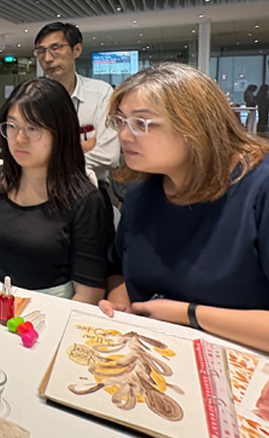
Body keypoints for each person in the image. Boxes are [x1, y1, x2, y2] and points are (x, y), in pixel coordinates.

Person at [101, 62, 269, 354]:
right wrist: (119, 303)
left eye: (140, 123)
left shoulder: (259, 189)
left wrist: (187, 314)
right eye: (120, 121)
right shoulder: (142, 190)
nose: (124, 136)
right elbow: (118, 270)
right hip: (154, 352)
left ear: (194, 126)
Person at [0, 78, 113, 302]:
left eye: (32, 128)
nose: (19, 139)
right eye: (12, 126)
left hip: (54, 307)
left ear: (60, 132)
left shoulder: (85, 200)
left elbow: (88, 291)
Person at [34, 22, 120, 187]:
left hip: (90, 187)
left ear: (77, 50)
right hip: (43, 187)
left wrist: (52, 158)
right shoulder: (34, 98)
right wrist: (82, 147)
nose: (47, 58)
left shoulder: (100, 93)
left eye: (55, 48)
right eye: (41, 51)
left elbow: (109, 156)